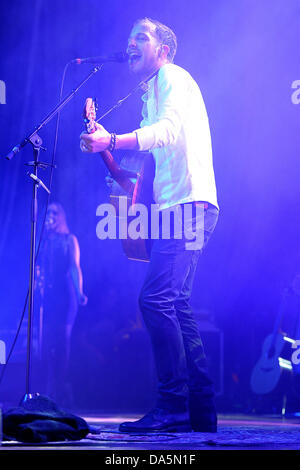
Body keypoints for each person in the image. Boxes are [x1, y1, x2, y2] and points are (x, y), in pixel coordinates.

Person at [80, 18, 219, 432]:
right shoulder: (153, 92)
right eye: (128, 38)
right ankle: (201, 408)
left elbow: (169, 132)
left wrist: (114, 140)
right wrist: (109, 153)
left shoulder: (173, 77)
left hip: (188, 206)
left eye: (141, 36)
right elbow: (144, 169)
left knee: (155, 300)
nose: (131, 43)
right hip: (184, 205)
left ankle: (173, 404)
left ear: (164, 49)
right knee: (176, 303)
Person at [36, 202, 87, 406]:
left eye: (55, 212)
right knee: (46, 342)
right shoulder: (42, 241)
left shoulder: (69, 240)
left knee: (63, 340)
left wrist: (80, 292)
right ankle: (49, 388)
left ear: (62, 216)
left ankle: (60, 386)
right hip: (47, 294)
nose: (51, 215)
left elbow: (75, 268)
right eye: (48, 212)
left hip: (65, 295)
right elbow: (36, 267)